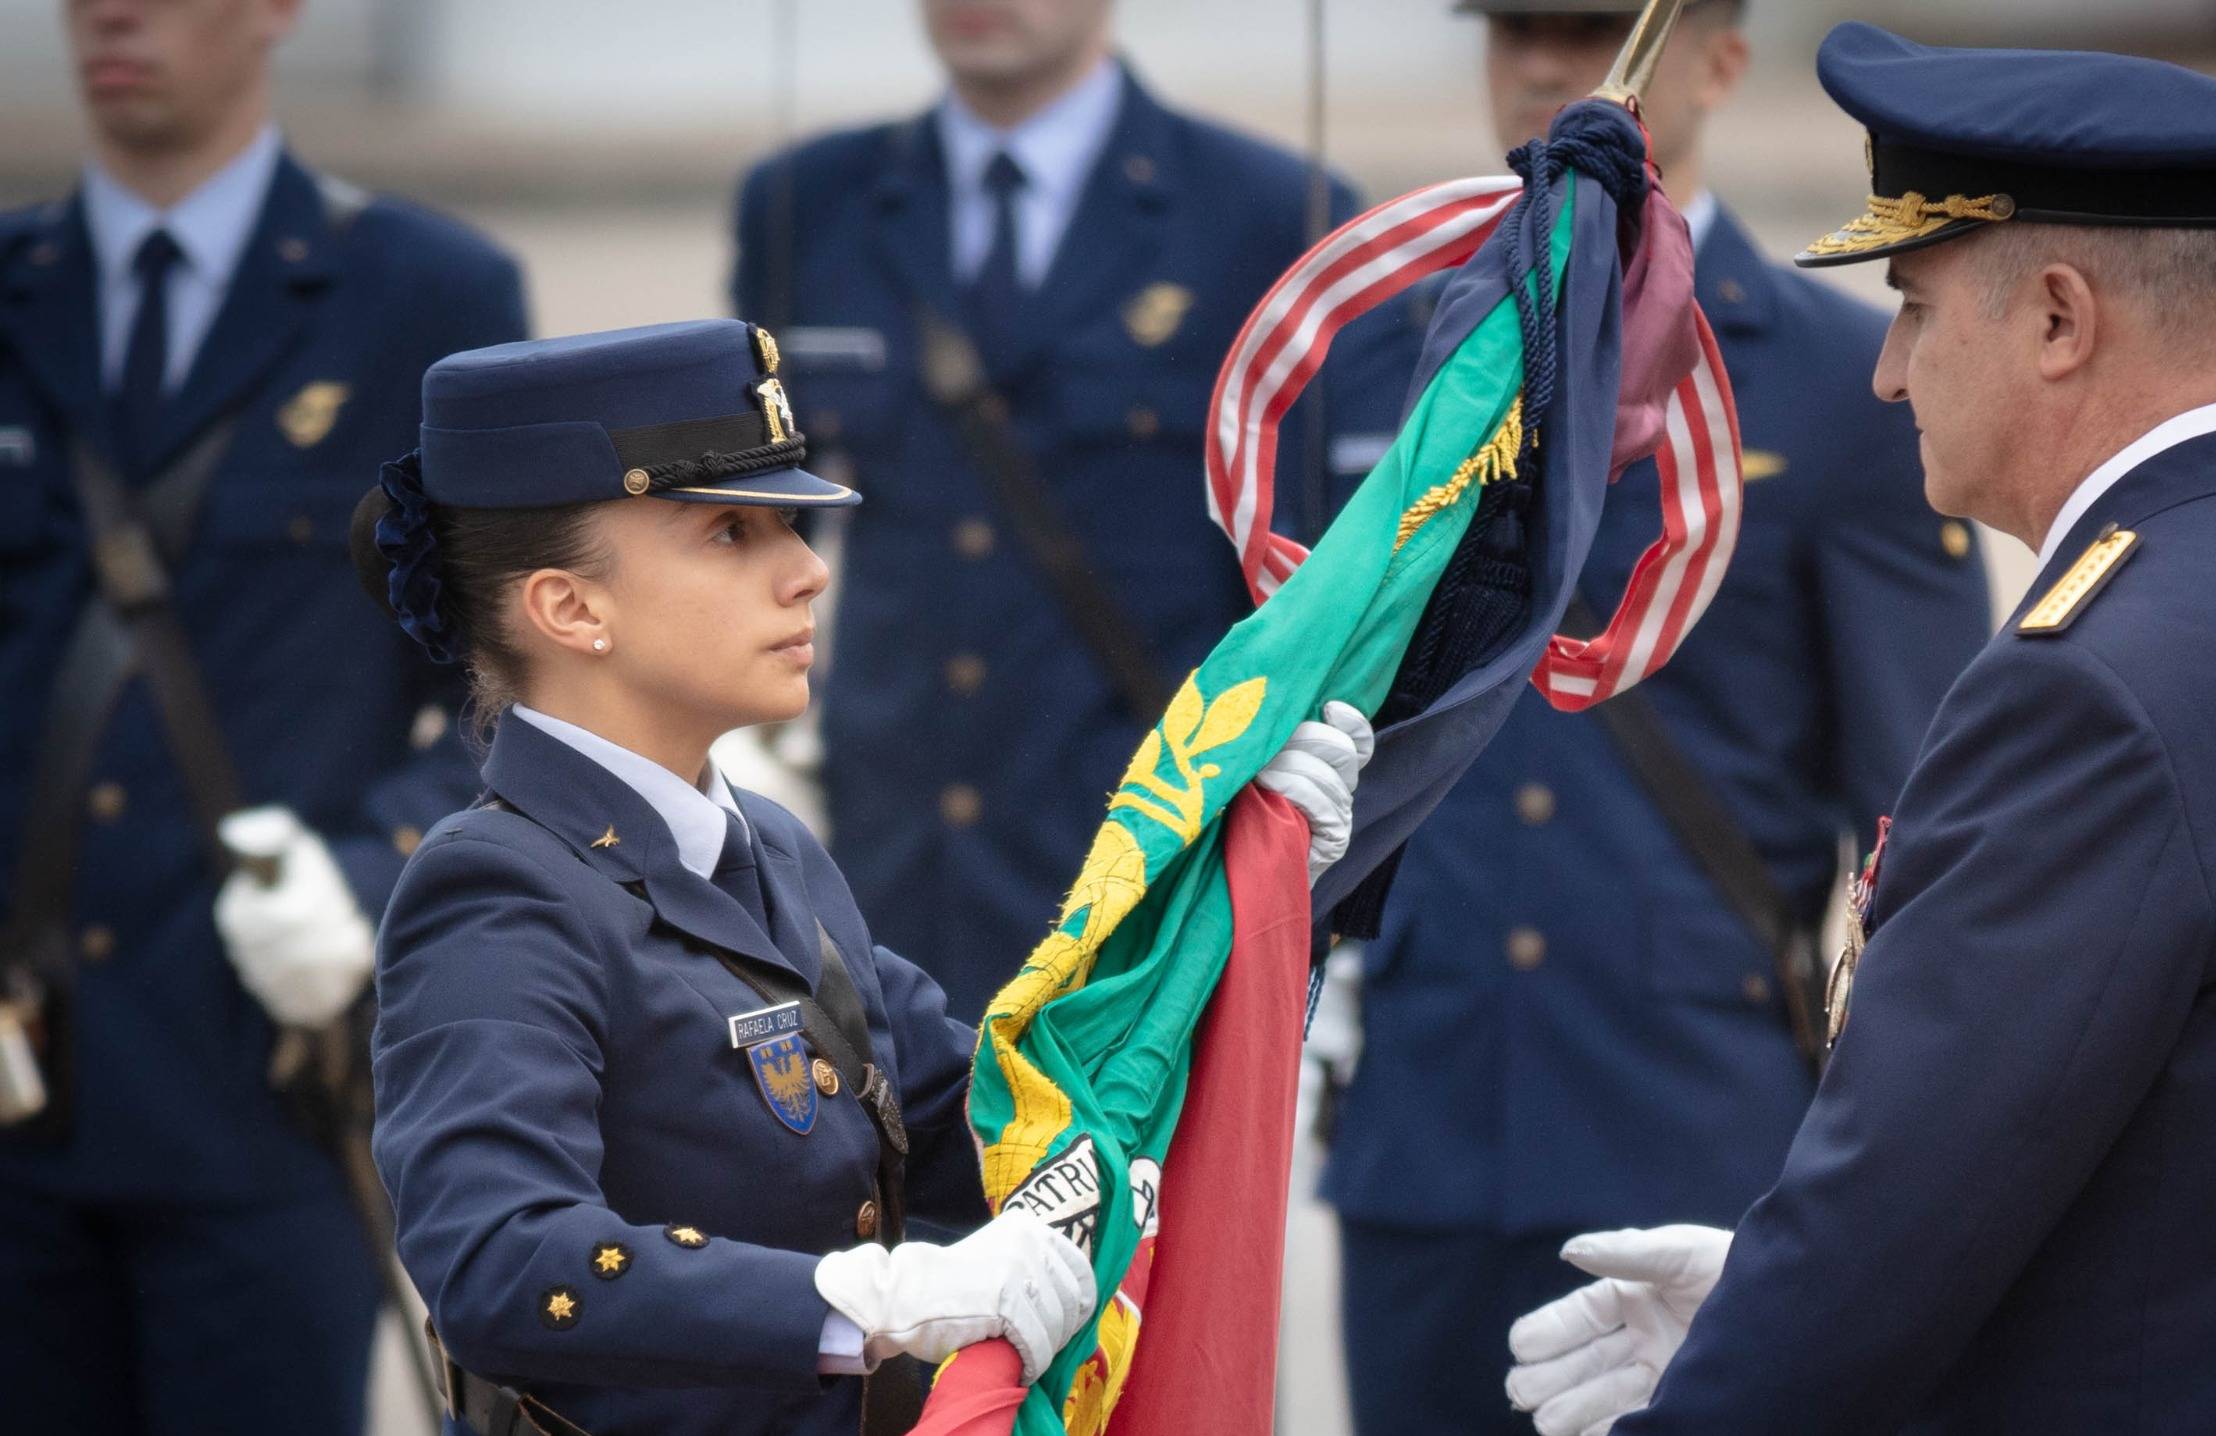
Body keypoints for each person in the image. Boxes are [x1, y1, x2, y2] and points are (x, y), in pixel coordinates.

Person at [1504, 23, 2216, 1435]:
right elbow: (2175, 1177)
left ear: (2058, 319)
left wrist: (1754, 1357)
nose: (1886, 372)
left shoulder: (2092, 688)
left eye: (1917, 307)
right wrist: (1767, 1289)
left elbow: (1902, 1209)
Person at [356, 318, 1371, 1434]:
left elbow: (1001, 1117)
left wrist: (1235, 908)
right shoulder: (498, 891)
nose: (803, 573)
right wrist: (862, 1300)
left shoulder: (766, 848)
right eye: (731, 533)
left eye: (789, 527)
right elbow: (500, 1259)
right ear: (571, 607)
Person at [1307, 6, 1992, 1431]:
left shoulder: (1835, 379)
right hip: (1425, 1129)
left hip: (1688, 1129)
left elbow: (1923, 824)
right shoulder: (1392, 357)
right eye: (1519, 31)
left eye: (1596, 30)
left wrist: (1891, 1178)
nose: (1557, 69)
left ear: (1724, 58)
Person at [0, 0, 526, 1428]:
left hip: (260, 1086)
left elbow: (519, 679)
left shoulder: (424, 296)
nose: (110, 16)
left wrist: (371, 879)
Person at [728, 0, 1416, 1025]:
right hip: (882, 885)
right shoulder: (809, 202)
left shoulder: (1270, 212)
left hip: (1143, 891)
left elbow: (1342, 586)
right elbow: (741, 519)